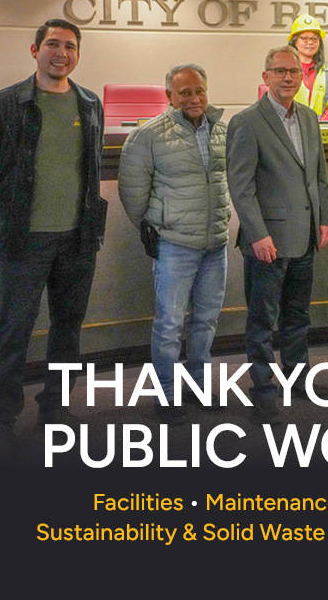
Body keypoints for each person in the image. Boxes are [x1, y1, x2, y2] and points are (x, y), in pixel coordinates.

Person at [0, 19, 107, 460]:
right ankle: (0, 420)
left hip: (77, 238)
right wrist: (6, 221)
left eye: (69, 46)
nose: (61, 53)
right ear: (35, 51)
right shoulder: (7, 103)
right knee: (13, 330)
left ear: (77, 55)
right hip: (22, 242)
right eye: (52, 44)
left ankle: (55, 408)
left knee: (67, 330)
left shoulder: (89, 104)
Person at [227, 45, 328, 422]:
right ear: (266, 76)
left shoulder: (307, 117)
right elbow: (240, 186)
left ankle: (297, 377)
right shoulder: (247, 122)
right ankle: (262, 387)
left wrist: (325, 218)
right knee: (261, 320)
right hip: (267, 242)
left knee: (297, 315)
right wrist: (256, 234)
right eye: (279, 71)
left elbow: (318, 175)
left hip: (305, 237)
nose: (288, 78)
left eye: (293, 72)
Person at [118, 64, 230, 425]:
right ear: (169, 96)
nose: (194, 99)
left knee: (206, 321)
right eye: (185, 93)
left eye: (200, 91)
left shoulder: (221, 131)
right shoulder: (148, 135)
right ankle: (166, 392)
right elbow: (132, 191)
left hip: (215, 243)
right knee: (168, 325)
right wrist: (156, 225)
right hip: (175, 245)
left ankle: (197, 385)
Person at [287, 15, 328, 120]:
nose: (310, 42)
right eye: (304, 38)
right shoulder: (285, 69)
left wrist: (320, 125)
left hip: (321, 129)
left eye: (314, 38)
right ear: (295, 42)